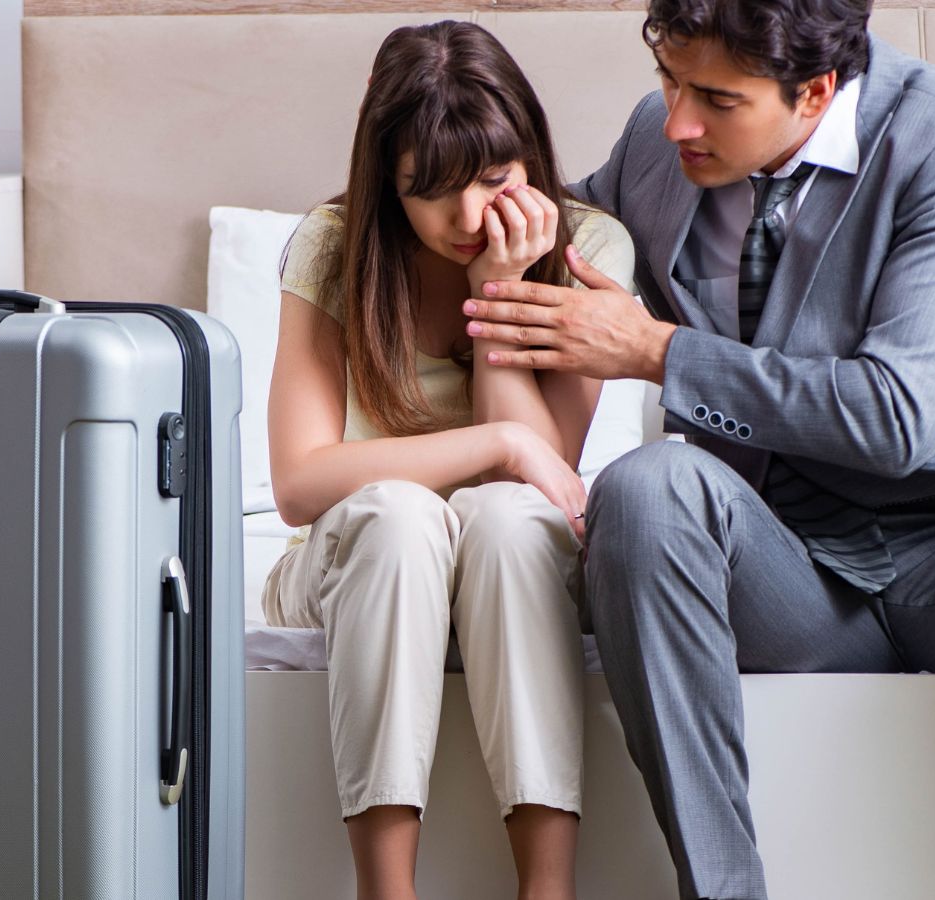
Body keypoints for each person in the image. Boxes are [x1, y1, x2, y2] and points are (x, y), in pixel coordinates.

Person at [463, 1, 935, 898]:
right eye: (668, 81)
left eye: (715, 98)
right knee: (644, 489)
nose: (679, 119)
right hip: (781, 573)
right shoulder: (660, 144)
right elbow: (549, 244)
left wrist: (656, 350)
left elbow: (896, 417)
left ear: (818, 89)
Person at [261, 20, 636, 900]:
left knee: (505, 519)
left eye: (497, 180)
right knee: (400, 513)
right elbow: (299, 483)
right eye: (431, 192)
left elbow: (535, 486)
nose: (470, 219)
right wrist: (500, 439)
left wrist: (497, 297)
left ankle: (548, 890)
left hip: (512, 557)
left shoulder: (589, 252)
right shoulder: (335, 245)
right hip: (351, 552)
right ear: (388, 185)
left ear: (531, 161)